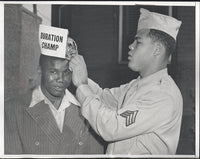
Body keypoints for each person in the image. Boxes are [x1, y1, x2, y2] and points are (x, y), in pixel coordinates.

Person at [69, 8, 183, 155]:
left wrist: (81, 85)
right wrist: (74, 68)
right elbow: (103, 97)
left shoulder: (163, 96)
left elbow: (111, 126)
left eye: (138, 41)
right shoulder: (137, 85)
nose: (131, 46)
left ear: (157, 50)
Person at [4, 33, 105, 154]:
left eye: (66, 72)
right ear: (40, 70)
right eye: (53, 72)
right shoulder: (12, 110)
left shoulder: (87, 111)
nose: (61, 78)